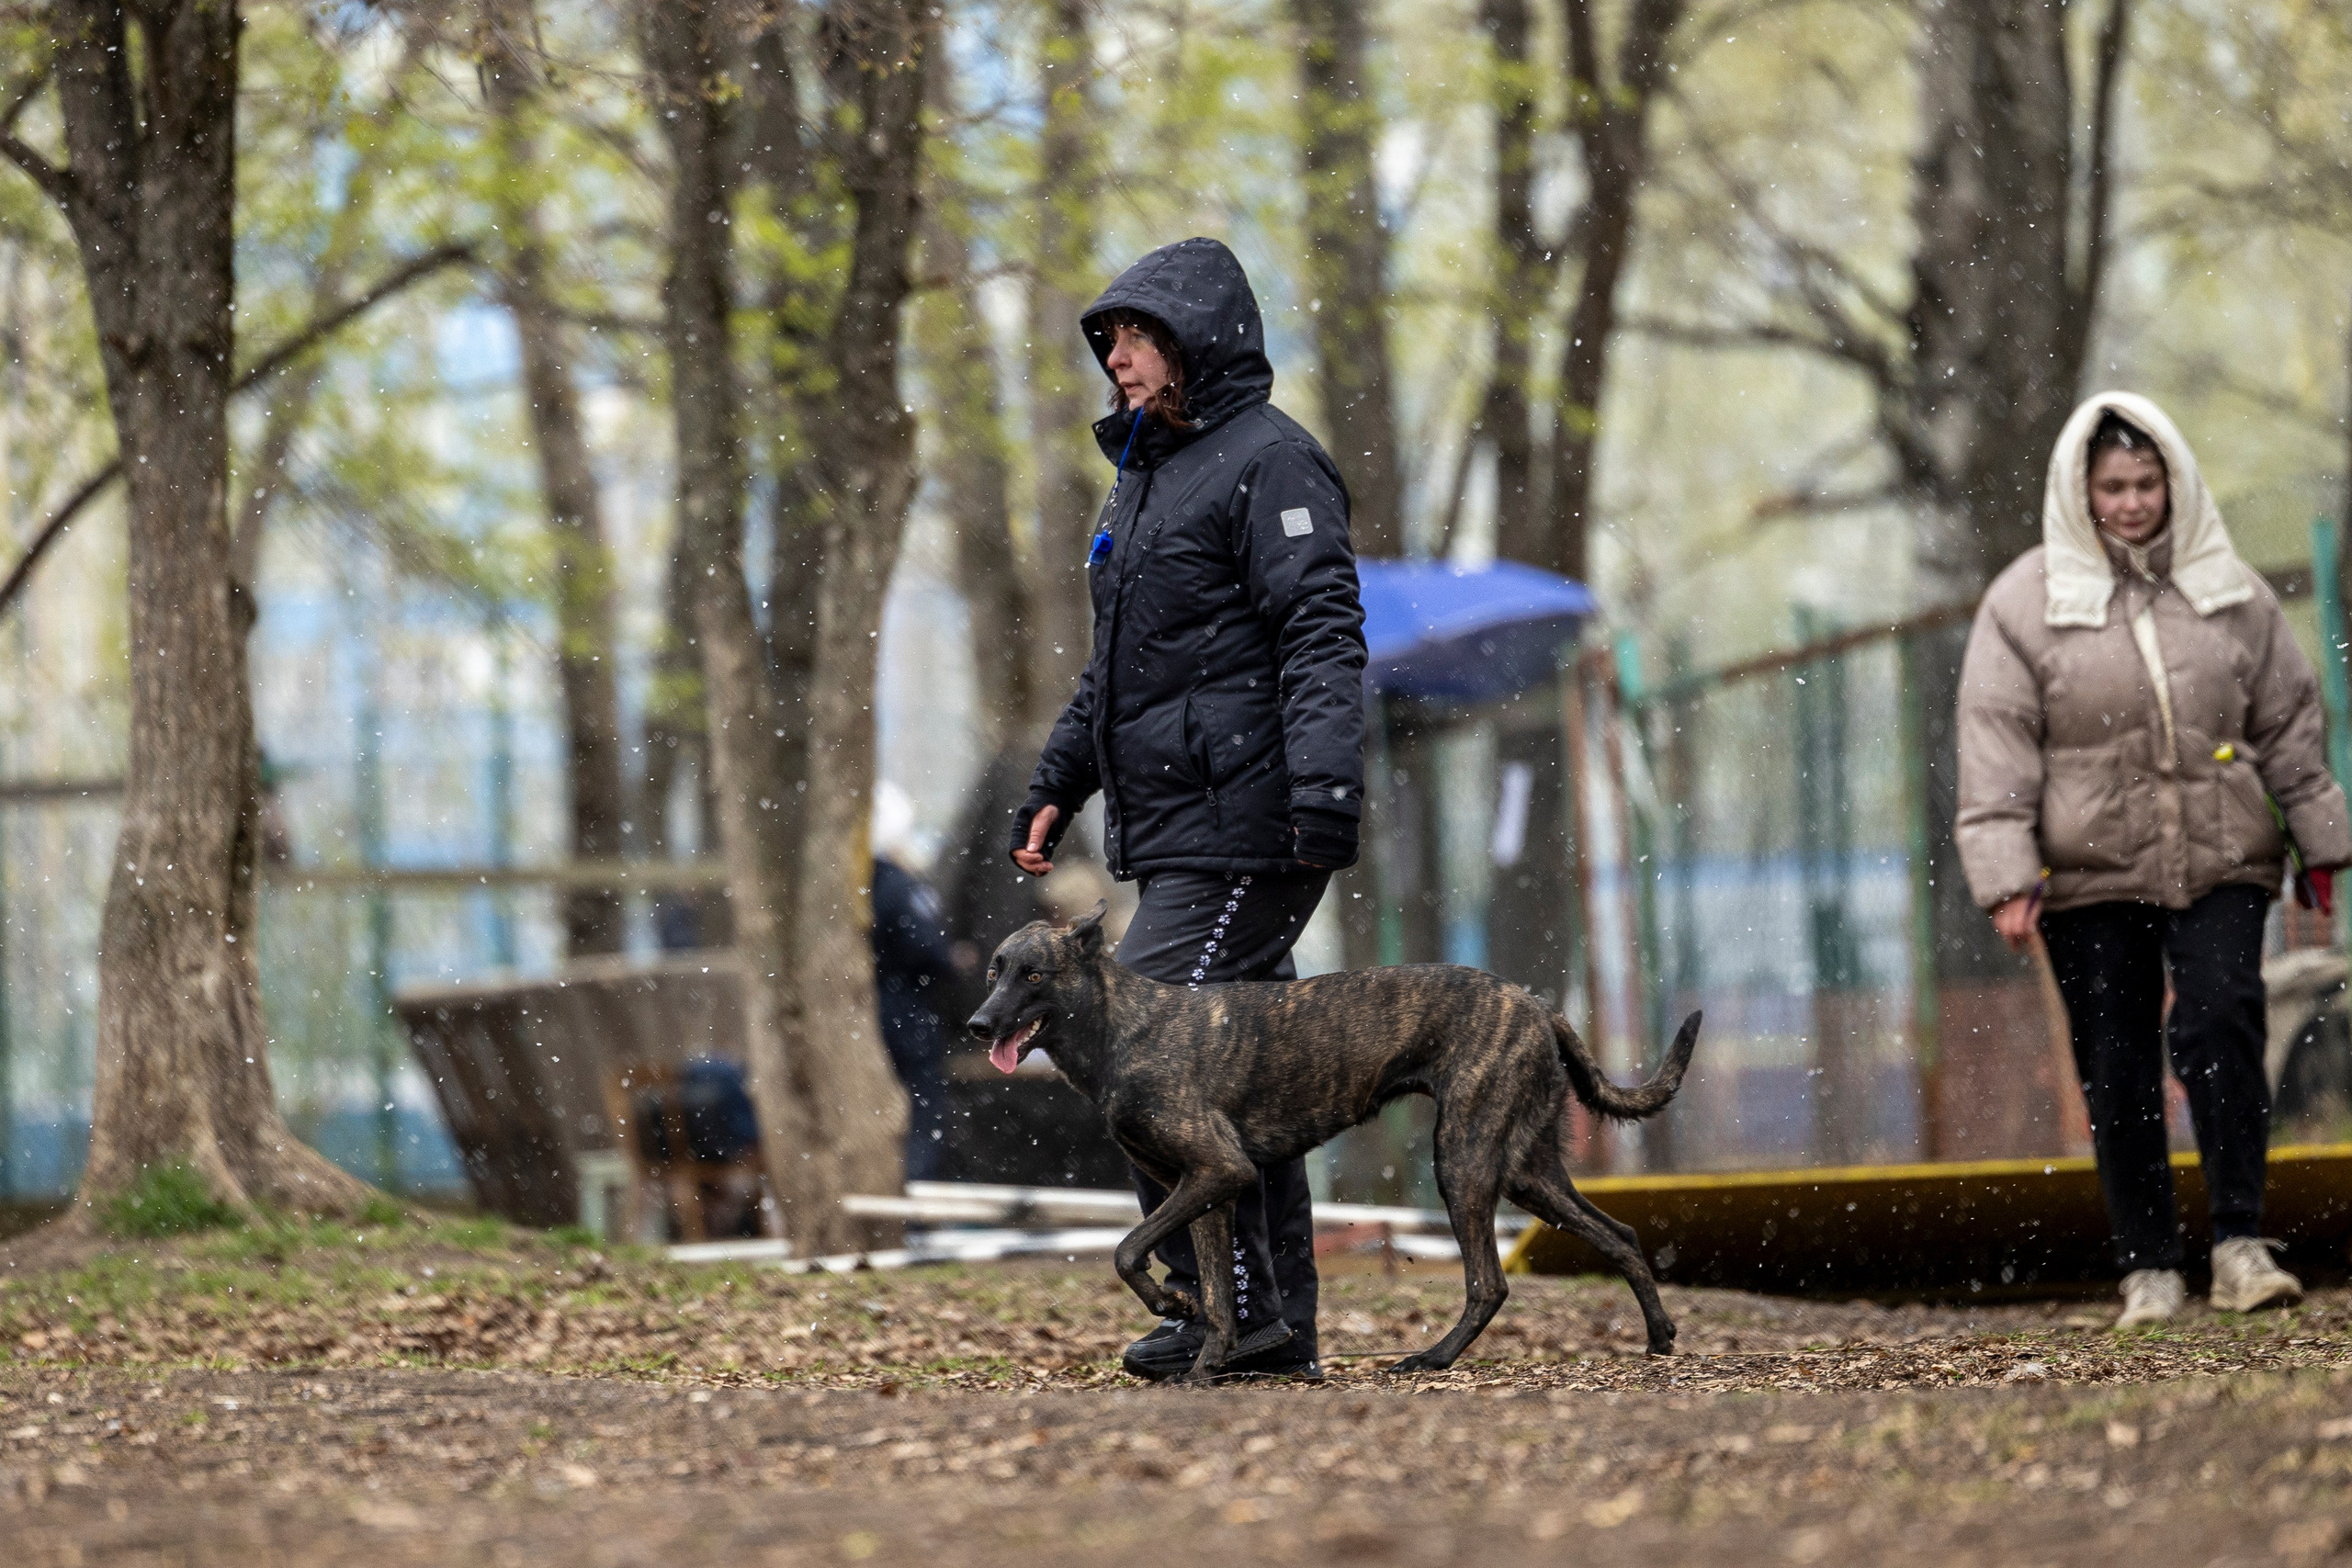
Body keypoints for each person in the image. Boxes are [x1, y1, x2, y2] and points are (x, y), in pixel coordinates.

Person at [1009, 236, 1367, 1382]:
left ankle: (1218, 1308)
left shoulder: (1273, 462)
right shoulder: (1146, 474)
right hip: (1180, 833)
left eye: (1134, 335)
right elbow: (1116, 673)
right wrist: (1059, 783)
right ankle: (1263, 1323)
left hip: (1251, 825)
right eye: (1106, 338)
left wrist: (1323, 787)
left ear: (1195, 339)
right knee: (1247, 1088)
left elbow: (1321, 632)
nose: (1114, 357)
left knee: (1145, 1056)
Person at [1956, 390, 2351, 1327]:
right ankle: (2148, 1265)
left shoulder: (2230, 592)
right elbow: (1996, 741)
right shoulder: (2024, 602)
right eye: (2112, 487)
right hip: (2087, 872)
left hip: (2222, 851)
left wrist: (2318, 843)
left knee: (2222, 1022)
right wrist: (2008, 876)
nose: (2131, 503)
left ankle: (2240, 1245)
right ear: (2079, 492)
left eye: (2145, 483)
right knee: (2116, 1059)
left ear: (2173, 482)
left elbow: (2289, 724)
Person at [872, 852, 957, 1183]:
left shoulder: (868, 884)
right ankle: (917, 1196)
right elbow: (929, 947)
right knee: (923, 1112)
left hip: (879, 1007)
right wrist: (951, 960)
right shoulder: (900, 886)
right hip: (910, 1010)